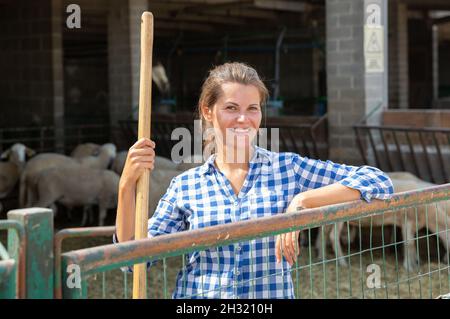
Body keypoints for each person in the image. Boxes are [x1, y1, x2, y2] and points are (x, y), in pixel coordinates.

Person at [115, 62, 394, 299]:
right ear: (207, 111)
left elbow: (378, 181)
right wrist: (126, 186)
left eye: (253, 109)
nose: (243, 119)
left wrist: (302, 201)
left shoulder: (287, 170)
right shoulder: (185, 186)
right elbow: (133, 259)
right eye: (231, 108)